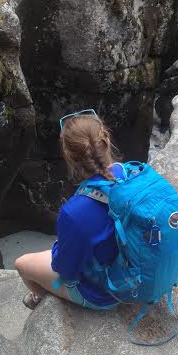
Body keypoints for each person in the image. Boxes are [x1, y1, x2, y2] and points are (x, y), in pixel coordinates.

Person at [15, 109, 123, 311]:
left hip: (106, 294)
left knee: (22, 263)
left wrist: (60, 247)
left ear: (68, 155)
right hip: (142, 271)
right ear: (106, 140)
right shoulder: (138, 173)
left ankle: (46, 302)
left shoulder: (73, 212)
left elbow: (66, 270)